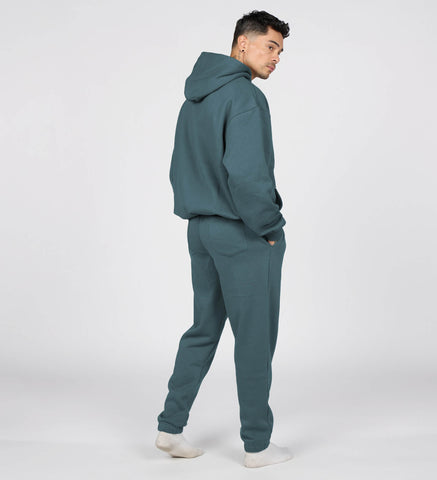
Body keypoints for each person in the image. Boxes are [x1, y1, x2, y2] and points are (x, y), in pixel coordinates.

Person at [155, 10, 293, 468]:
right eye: (270, 46)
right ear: (242, 44)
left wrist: (200, 209)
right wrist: (269, 226)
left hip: (201, 229)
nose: (276, 57)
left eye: (280, 50)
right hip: (242, 232)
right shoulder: (245, 96)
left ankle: (170, 427)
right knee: (254, 338)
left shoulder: (195, 98)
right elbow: (247, 175)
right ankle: (257, 445)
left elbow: (179, 167)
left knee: (203, 329)